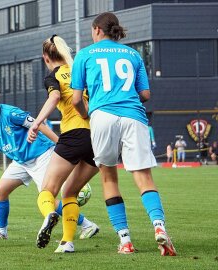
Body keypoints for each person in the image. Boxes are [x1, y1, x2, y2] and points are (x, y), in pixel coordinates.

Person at [70, 12, 176, 256]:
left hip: (102, 117)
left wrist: (88, 114)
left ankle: (125, 241)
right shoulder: (133, 54)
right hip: (133, 116)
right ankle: (159, 228)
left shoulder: (85, 55)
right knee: (144, 178)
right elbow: (146, 94)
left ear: (97, 29)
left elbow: (76, 99)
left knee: (109, 178)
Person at [0, 84, 99, 241]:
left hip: (41, 156)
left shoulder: (11, 113)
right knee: (0, 191)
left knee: (48, 198)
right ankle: (2, 231)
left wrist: (61, 145)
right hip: (21, 162)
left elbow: (39, 124)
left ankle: (88, 225)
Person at [27, 35, 99, 253]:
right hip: (98, 136)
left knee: (48, 190)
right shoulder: (80, 71)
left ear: (45, 58)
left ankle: (50, 213)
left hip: (74, 134)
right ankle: (67, 242)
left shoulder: (54, 76)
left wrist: (37, 123)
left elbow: (54, 97)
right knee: (70, 192)